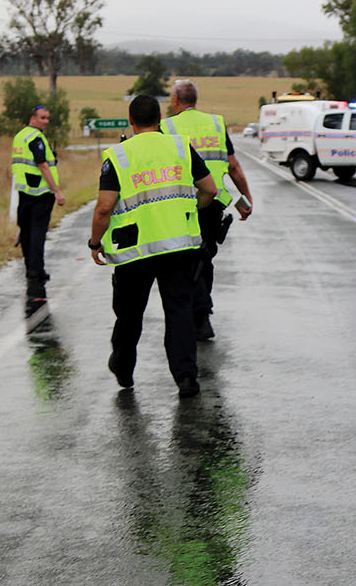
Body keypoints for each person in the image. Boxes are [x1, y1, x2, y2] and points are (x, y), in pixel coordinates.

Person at [89, 94, 218, 397]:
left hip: (135, 251)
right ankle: (186, 378)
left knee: (130, 314)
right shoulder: (180, 146)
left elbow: (104, 208)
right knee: (179, 313)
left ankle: (123, 367)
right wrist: (189, 211)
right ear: (160, 119)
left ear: (131, 122)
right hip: (178, 246)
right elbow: (210, 189)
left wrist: (95, 242)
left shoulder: (118, 155)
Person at [161, 78, 255, 341]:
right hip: (212, 204)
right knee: (206, 258)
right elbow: (233, 166)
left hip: (181, 204)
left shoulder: (166, 126)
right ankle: (201, 314)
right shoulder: (216, 124)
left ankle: (199, 314)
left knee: (188, 259)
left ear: (176, 100)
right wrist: (245, 198)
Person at [10, 104, 67, 298]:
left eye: (47, 118)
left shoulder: (20, 136)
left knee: (26, 232)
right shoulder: (36, 138)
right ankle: (36, 272)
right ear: (33, 118)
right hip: (40, 194)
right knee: (37, 234)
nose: (46, 121)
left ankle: (30, 269)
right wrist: (57, 192)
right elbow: (43, 165)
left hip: (24, 192)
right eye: (42, 118)